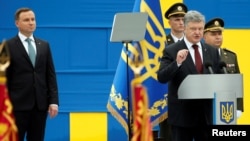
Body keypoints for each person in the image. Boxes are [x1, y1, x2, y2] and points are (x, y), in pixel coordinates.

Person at [157, 10, 220, 141]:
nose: (197, 32)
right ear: (185, 28)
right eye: (193, 29)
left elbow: (219, 78)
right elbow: (162, 77)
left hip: (205, 116)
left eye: (200, 29)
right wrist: (177, 62)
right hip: (182, 117)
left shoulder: (212, 51)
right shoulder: (172, 50)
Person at [6, 7, 59, 141]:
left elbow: (50, 75)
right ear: (17, 23)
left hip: (39, 106)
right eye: (26, 20)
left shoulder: (44, 45)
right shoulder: (7, 46)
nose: (31, 22)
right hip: (15, 107)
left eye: (33, 19)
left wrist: (53, 101)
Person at [159, 2, 188, 141]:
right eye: (177, 19)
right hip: (167, 98)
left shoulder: (193, 43)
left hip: (190, 99)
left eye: (184, 19)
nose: (181, 22)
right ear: (169, 22)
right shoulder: (160, 43)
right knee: (169, 136)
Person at [203, 17, 243, 114]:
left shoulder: (231, 56)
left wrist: (238, 108)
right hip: (204, 109)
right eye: (213, 34)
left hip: (226, 108)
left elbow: (237, 83)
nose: (218, 37)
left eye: (219, 34)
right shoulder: (199, 56)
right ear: (204, 37)